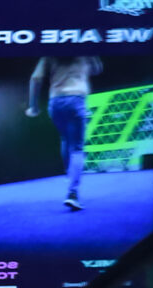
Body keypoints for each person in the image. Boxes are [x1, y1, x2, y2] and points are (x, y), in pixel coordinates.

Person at [28, 56, 103, 210]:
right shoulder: (84, 50)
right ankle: (72, 193)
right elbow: (98, 69)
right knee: (77, 148)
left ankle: (69, 173)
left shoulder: (50, 52)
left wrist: (33, 106)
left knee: (65, 139)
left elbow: (35, 78)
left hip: (56, 101)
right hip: (76, 99)